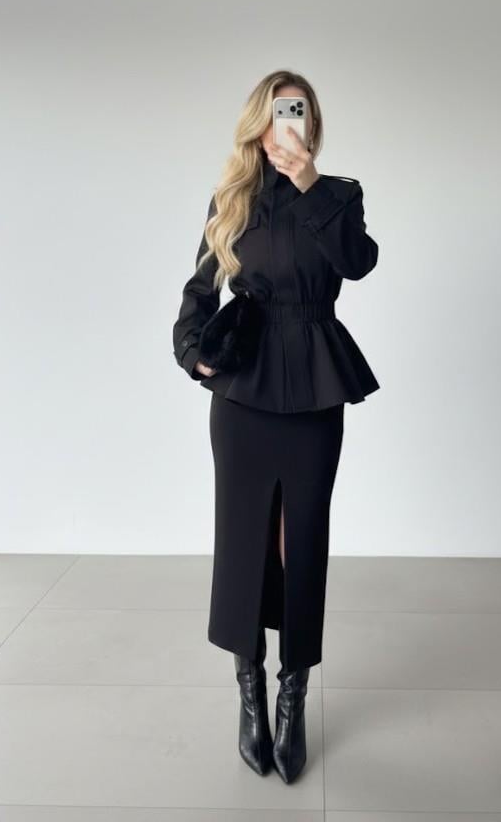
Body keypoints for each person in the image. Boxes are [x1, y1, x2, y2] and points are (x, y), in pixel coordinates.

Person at [172, 69, 380, 783]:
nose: (286, 124)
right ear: (257, 124)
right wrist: (192, 351)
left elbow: (359, 262)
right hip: (244, 388)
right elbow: (199, 290)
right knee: (245, 539)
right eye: (276, 112)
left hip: (316, 380)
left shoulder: (338, 195)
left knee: (302, 540)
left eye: (298, 113)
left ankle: (294, 691)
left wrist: (310, 183)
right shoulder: (231, 198)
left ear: (309, 125)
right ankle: (250, 690)